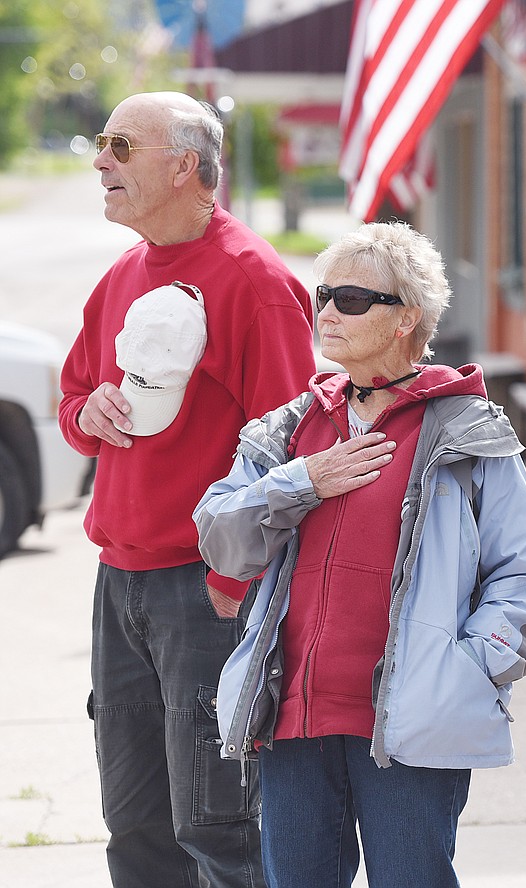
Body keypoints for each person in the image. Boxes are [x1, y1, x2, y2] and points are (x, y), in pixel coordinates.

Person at [194, 221, 526, 888]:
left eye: (354, 300)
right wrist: (303, 479)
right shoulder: (290, 428)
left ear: (406, 321)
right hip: (292, 724)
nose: (329, 312)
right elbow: (220, 535)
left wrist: (472, 668)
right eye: (324, 295)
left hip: (410, 731)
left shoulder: (465, 432)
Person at [58, 91, 317, 888]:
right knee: (133, 823)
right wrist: (87, 412)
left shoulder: (256, 281)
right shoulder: (122, 276)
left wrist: (237, 582)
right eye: (102, 144)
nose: (101, 160)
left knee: (220, 831)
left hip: (206, 595)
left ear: (183, 166)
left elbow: (292, 450)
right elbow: (71, 402)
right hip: (120, 585)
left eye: (120, 145)